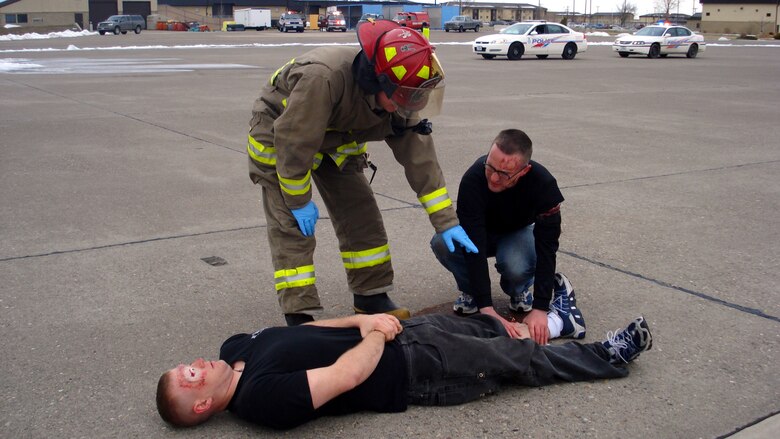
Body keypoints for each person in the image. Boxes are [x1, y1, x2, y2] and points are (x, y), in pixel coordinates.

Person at [245, 19, 477, 327]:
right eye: (400, 99)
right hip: (282, 135)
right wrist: (298, 200)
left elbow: (421, 161)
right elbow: (295, 144)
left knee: (362, 215)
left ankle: (371, 296)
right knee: (293, 229)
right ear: (375, 80)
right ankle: (300, 318)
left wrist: (445, 222)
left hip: (336, 134)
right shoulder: (324, 78)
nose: (405, 107)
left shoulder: (403, 91)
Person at [156, 312, 653, 430]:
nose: (196, 365)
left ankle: (566, 321)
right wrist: (374, 334)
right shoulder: (261, 401)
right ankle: (608, 358)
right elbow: (345, 376)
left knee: (488, 325)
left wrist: (362, 319)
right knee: (514, 361)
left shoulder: (235, 347)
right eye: (191, 377)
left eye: (186, 365)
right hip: (415, 370)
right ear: (202, 405)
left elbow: (313, 327)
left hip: (401, 333)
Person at [431, 129, 574, 344]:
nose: (495, 177)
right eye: (491, 167)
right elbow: (473, 243)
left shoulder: (544, 186)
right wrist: (486, 307)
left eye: (505, 173)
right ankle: (471, 291)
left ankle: (519, 290)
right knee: (443, 241)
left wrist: (541, 307)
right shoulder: (474, 179)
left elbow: (547, 246)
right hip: (481, 233)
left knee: (515, 262)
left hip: (517, 234)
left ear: (524, 171)